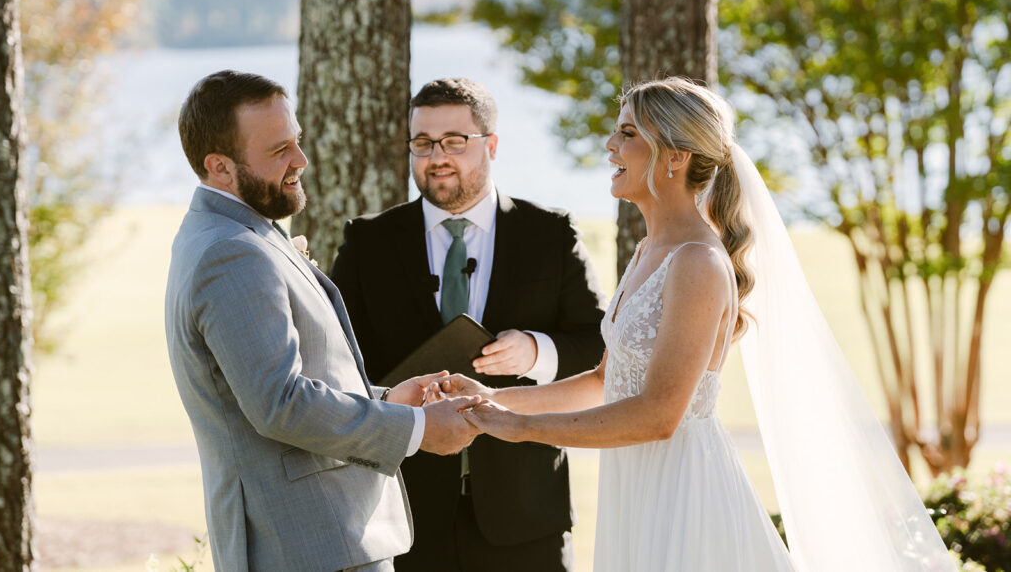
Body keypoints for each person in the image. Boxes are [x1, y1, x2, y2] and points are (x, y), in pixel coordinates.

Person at [439, 77, 958, 571]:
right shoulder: (649, 250)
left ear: (676, 157)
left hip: (683, 491)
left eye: (627, 133)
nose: (609, 145)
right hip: (637, 482)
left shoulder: (697, 262)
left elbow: (660, 414)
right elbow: (604, 382)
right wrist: (489, 400)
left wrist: (520, 429)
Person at [164, 70, 480, 572]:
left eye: (298, 141)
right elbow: (281, 404)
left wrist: (386, 401)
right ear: (219, 167)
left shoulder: (234, 233)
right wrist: (416, 428)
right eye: (278, 151)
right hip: (306, 545)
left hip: (321, 539)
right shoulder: (232, 252)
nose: (300, 161)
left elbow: (294, 379)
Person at [329, 77, 606, 571]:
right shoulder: (368, 242)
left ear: (491, 145)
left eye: (455, 141)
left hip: (526, 514)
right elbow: (337, 363)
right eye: (422, 143)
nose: (437, 156)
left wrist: (537, 351)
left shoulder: (550, 234)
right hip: (403, 514)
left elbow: (600, 347)